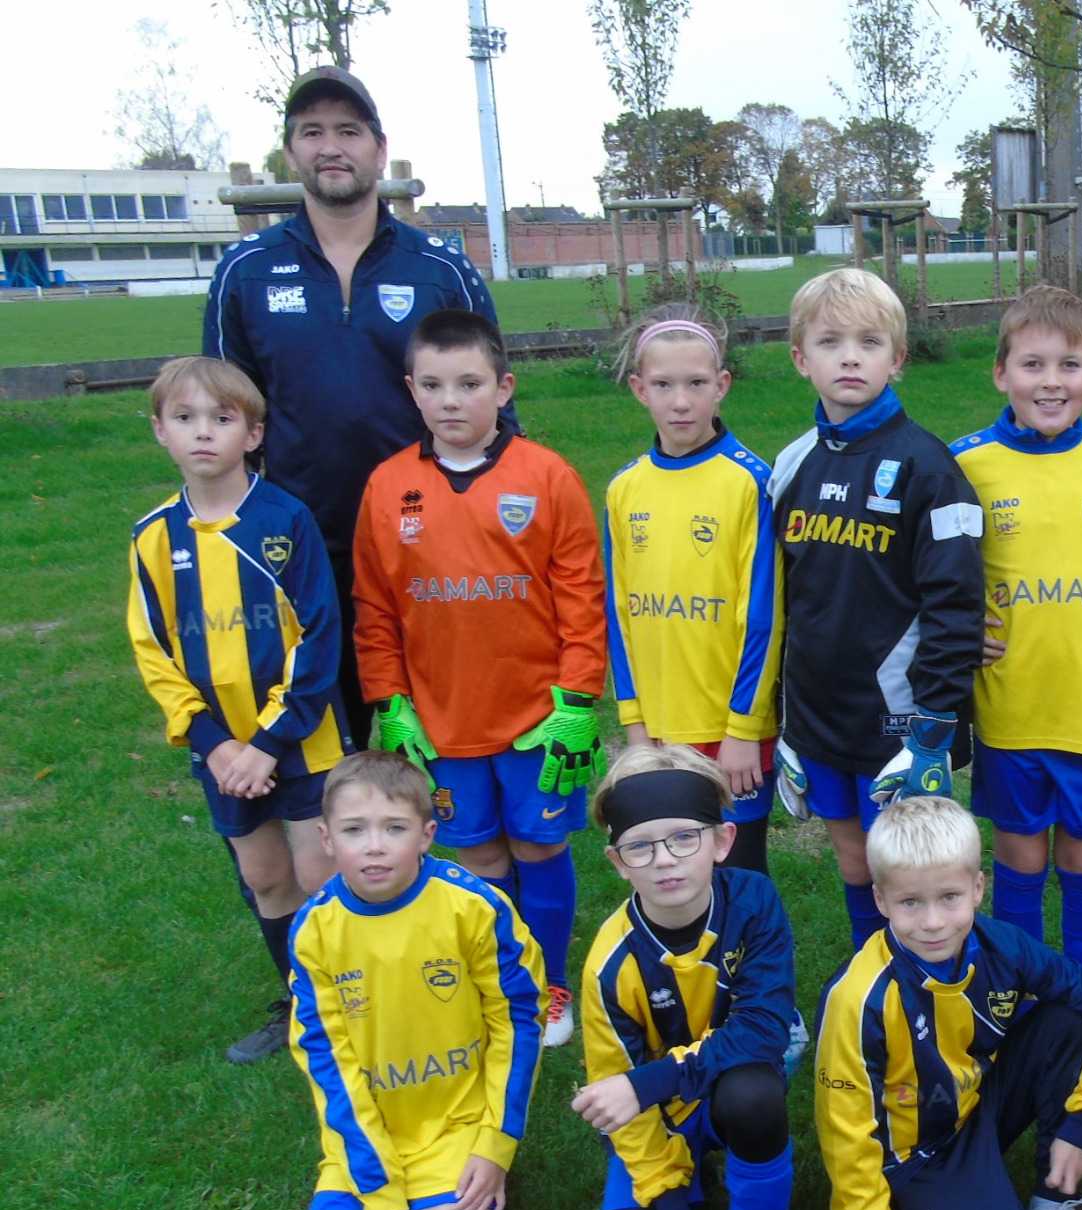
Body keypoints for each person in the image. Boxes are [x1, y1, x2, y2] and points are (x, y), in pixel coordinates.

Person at [204, 65, 506, 743]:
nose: (331, 147)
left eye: (348, 130)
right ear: (291, 151)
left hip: (429, 541)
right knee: (319, 743)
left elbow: (494, 409)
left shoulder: (439, 268)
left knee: (438, 736)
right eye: (312, 132)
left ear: (378, 146)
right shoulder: (246, 270)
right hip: (300, 542)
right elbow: (226, 417)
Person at [352, 310, 607, 1049]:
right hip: (442, 723)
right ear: (411, 390)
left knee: (539, 849)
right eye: (433, 385)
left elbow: (582, 597)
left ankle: (550, 982)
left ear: (504, 387)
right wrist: (390, 699)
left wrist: (577, 699)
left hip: (537, 720)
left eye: (469, 384)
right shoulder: (388, 485)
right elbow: (374, 606)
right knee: (480, 856)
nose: (451, 401)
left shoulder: (547, 476)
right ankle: (502, 978)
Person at [813, 797, 1082, 1210]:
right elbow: (845, 1131)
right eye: (911, 902)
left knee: (1070, 1021)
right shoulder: (858, 999)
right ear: (880, 899)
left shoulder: (1001, 945)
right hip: (916, 1154)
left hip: (973, 1106)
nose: (933, 922)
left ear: (977, 888)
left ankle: (1053, 1199)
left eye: (949, 897)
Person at [127, 356, 349, 1063]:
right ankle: (301, 1004)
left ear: (252, 434)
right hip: (222, 752)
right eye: (185, 418)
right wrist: (217, 744)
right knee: (266, 879)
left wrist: (266, 742)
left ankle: (355, 1002)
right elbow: (153, 650)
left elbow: (319, 638)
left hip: (299, 741)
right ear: (160, 431)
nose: (203, 433)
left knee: (320, 874)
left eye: (221, 419)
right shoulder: (154, 537)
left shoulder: (285, 521)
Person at [768, 269, 985, 946]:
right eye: (830, 342)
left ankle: (928, 980)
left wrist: (933, 726)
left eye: (869, 342)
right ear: (801, 358)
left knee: (914, 873)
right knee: (854, 862)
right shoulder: (790, 464)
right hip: (817, 716)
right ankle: (874, 974)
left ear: (898, 358)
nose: (850, 357)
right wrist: (785, 720)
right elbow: (781, 603)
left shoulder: (931, 468)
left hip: (902, 721)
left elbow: (957, 606)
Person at [572, 744, 810, 1210]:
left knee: (753, 1093)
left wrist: (643, 1084)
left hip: (725, 1087)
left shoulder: (754, 902)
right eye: (640, 847)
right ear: (617, 862)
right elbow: (621, 1106)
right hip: (655, 1116)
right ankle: (685, 1180)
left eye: (684, 838)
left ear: (722, 841)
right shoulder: (608, 964)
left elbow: (763, 1028)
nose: (664, 860)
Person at [289, 750, 545, 1210]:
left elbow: (519, 1025)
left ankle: (470, 1192)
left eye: (394, 828)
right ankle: (398, 1198)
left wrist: (495, 1145)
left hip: (458, 1129)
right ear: (326, 838)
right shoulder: (315, 931)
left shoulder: (474, 907)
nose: (374, 846)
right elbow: (327, 1062)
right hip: (368, 1134)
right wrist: (380, 1194)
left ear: (428, 835)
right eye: (354, 830)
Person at [949, 285, 1082, 974]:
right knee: (1020, 853)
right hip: (1012, 704)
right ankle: (1021, 988)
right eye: (1032, 365)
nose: (1050, 382)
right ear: (1000, 373)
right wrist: (961, 626)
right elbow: (937, 570)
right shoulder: (966, 465)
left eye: (1069, 365)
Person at [602, 304, 781, 875]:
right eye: (663, 385)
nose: (680, 401)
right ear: (640, 390)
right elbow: (619, 617)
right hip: (656, 733)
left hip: (729, 731)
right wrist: (635, 729)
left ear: (721, 386)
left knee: (737, 872)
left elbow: (763, 618)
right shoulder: (624, 489)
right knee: (669, 873)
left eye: (697, 384)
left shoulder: (750, 481)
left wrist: (742, 730)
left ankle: (748, 941)